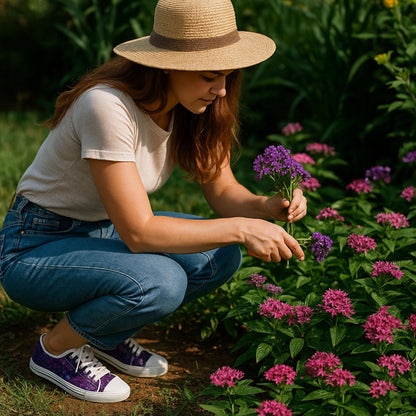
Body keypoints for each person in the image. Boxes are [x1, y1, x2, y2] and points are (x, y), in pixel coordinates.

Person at [0, 0, 307, 404]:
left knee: (220, 255)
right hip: (34, 248)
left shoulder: (193, 107)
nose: (222, 89)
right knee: (162, 280)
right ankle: (56, 349)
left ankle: (105, 333)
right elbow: (140, 232)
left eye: (228, 76)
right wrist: (242, 228)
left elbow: (223, 193)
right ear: (167, 65)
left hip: (103, 232)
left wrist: (265, 207)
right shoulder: (106, 106)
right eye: (210, 76)